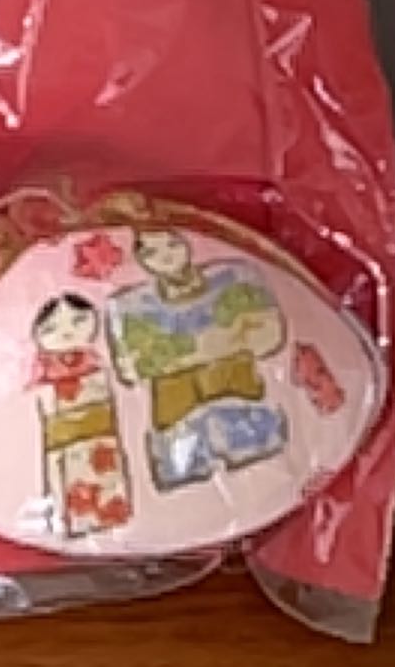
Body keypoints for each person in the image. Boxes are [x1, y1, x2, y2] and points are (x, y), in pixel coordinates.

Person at [107, 226, 290, 492]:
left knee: (266, 479)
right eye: (151, 252)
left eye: (172, 244)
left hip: (243, 404)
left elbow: (268, 335)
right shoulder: (131, 306)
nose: (165, 256)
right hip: (178, 421)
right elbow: (133, 367)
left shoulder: (234, 276)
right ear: (142, 261)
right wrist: (225, 339)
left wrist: (180, 353)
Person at [31, 293, 133, 538]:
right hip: (62, 444)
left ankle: (113, 519)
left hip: (100, 439)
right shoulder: (41, 375)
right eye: (51, 328)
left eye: (78, 321)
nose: (67, 333)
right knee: (64, 485)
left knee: (107, 480)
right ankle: (66, 524)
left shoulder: (97, 364)